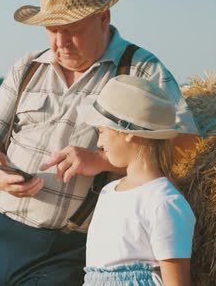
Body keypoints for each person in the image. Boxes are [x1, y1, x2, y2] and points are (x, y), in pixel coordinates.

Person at [0, 0, 200, 286]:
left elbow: (189, 148)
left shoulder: (142, 70)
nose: (60, 43)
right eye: (52, 30)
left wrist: (101, 161)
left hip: (65, 253)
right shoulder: (28, 67)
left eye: (72, 30)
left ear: (103, 18)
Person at [81, 75, 195, 285]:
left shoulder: (164, 203)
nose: (99, 142)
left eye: (102, 131)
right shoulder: (108, 191)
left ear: (128, 133)